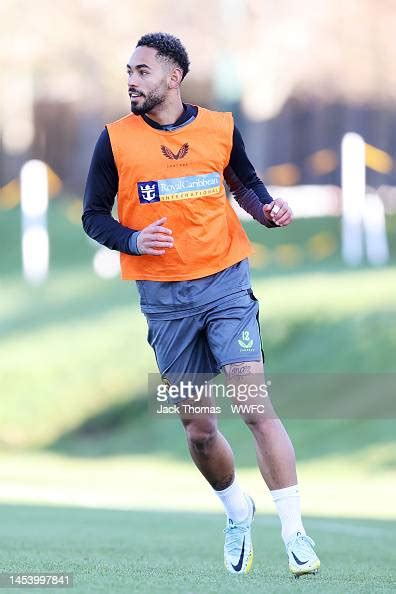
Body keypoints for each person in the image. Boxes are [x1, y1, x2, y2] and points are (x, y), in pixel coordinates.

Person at [82, 31, 320, 577]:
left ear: (174, 77)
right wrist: (134, 240)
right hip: (164, 301)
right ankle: (238, 511)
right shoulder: (113, 140)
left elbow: (246, 183)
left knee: (255, 405)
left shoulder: (219, 128)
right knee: (198, 428)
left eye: (142, 71)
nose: (132, 80)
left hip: (225, 283)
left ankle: (295, 534)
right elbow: (93, 215)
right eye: (129, 71)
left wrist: (267, 211)